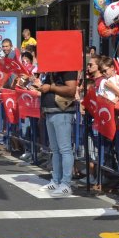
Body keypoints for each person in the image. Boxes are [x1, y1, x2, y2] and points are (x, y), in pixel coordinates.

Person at [36, 64, 78, 197]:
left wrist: (50, 87)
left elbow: (71, 90)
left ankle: (66, 183)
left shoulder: (69, 68)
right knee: (55, 149)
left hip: (62, 112)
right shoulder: (52, 68)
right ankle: (56, 180)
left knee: (64, 149)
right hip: (51, 111)